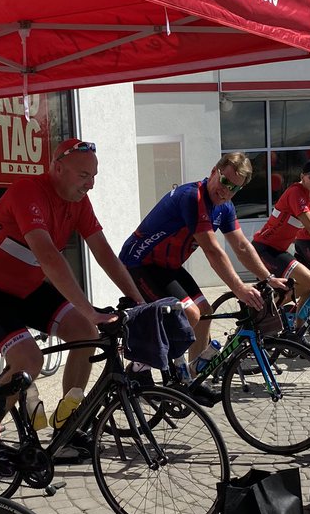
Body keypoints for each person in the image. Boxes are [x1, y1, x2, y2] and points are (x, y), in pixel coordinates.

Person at [0, 138, 144, 448]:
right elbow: (49, 257)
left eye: (94, 176)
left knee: (84, 331)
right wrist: (89, 309)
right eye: (84, 176)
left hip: (23, 287)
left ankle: (67, 428)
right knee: (29, 360)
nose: (90, 185)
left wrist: (138, 301)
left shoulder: (78, 202)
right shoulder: (27, 191)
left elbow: (104, 252)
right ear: (57, 168)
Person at [119, 152, 287, 378]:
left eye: (234, 188)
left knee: (204, 313)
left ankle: (191, 377)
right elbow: (212, 250)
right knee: (189, 314)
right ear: (213, 172)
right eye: (225, 181)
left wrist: (268, 277)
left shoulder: (225, 207)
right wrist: (239, 288)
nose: (226, 190)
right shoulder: (193, 197)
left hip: (167, 267)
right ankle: (140, 365)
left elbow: (242, 247)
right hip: (138, 263)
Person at [252, 164, 310, 307]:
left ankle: (298, 328)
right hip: (265, 248)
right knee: (309, 281)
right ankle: (265, 313)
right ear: (302, 177)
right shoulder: (296, 192)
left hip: (279, 250)